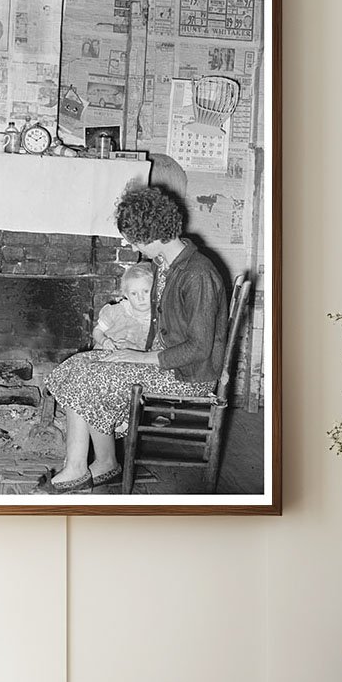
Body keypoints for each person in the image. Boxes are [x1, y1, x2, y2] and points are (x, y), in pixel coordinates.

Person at [38, 184, 227, 494]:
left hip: (189, 375)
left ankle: (77, 468)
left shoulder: (197, 274)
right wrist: (128, 347)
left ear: (152, 235)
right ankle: (105, 462)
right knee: (77, 366)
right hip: (165, 362)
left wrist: (138, 358)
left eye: (135, 239)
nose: (133, 245)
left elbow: (199, 347)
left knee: (92, 376)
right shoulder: (166, 265)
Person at [93, 263, 154, 351]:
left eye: (146, 291)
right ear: (127, 295)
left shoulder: (158, 320)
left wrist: (133, 347)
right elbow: (97, 331)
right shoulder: (117, 311)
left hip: (135, 359)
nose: (140, 298)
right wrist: (104, 341)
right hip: (106, 354)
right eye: (134, 293)